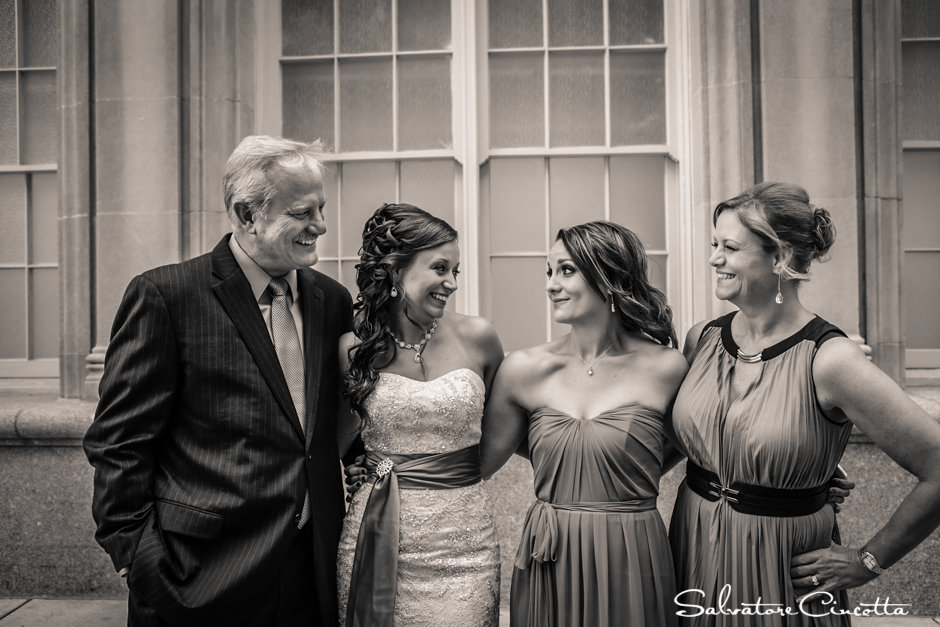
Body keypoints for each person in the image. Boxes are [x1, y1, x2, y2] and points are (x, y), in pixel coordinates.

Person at [83, 135, 354, 626]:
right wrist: (137, 558)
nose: (320, 225)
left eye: (321, 208)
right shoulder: (166, 296)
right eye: (302, 213)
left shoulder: (332, 301)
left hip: (311, 573)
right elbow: (118, 443)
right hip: (199, 576)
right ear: (247, 215)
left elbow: (331, 426)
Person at [669, 182, 940, 626]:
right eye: (714, 245)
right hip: (694, 544)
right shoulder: (702, 339)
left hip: (781, 563)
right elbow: (684, 439)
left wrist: (869, 561)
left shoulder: (832, 360)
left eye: (730, 248)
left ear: (780, 258)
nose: (715, 258)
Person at [480, 221, 689, 626]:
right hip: (550, 552)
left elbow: (696, 445)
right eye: (549, 272)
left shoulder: (667, 367)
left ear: (609, 277)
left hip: (632, 551)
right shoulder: (523, 369)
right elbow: (476, 465)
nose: (551, 285)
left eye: (566, 270)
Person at [335, 203, 504, 626]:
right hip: (376, 532)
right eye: (440, 268)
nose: (452, 283)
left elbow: (500, 431)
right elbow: (334, 443)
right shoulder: (352, 349)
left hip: (466, 543)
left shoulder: (479, 337)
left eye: (455, 271)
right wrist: (361, 466)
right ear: (395, 271)